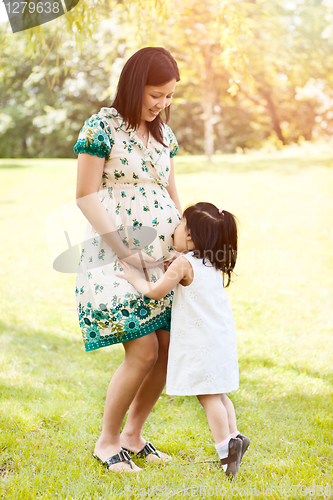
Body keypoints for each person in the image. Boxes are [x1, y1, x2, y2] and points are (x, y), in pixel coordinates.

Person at [73, 47, 182, 472]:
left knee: (168, 349)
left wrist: (185, 246)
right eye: (156, 94)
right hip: (115, 257)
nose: (162, 104)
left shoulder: (164, 136)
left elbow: (172, 197)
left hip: (162, 255)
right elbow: (85, 196)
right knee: (143, 350)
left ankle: (133, 436)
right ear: (135, 85)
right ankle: (107, 441)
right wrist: (127, 254)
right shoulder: (102, 126)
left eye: (170, 96)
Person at [117, 202, 250, 478]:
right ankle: (235, 436)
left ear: (189, 236)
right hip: (221, 338)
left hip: (201, 343)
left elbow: (155, 291)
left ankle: (226, 450)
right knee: (219, 392)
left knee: (208, 396)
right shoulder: (210, 261)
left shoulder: (184, 263)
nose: (173, 229)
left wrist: (133, 277)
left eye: (178, 224)